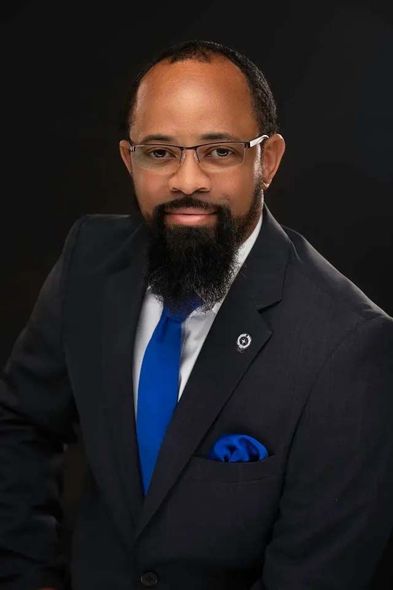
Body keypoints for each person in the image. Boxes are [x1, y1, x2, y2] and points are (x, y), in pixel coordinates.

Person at [1, 39, 393, 590]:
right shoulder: (89, 260)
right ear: (128, 159)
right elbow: (19, 424)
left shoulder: (349, 346)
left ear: (268, 160)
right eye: (160, 152)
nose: (187, 181)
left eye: (219, 151)